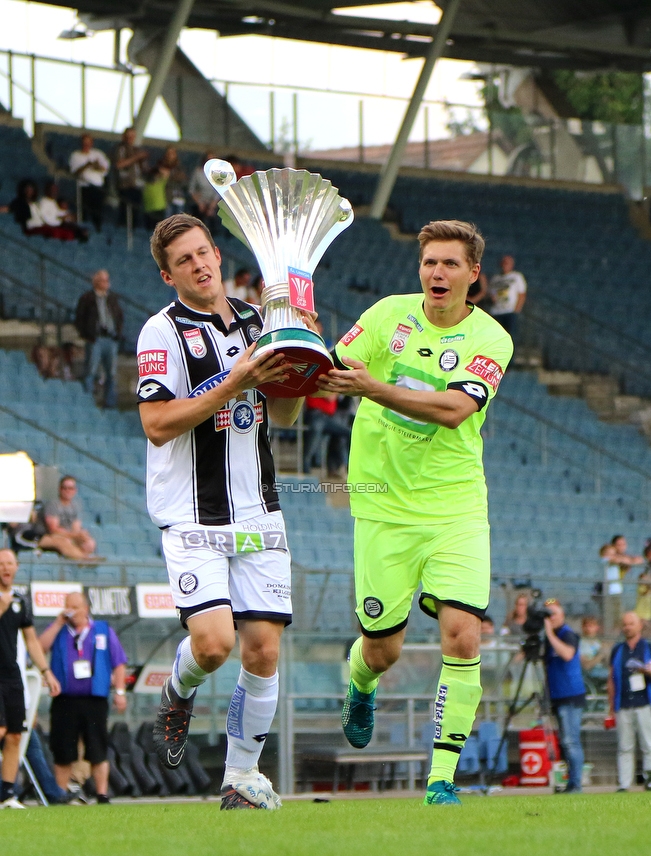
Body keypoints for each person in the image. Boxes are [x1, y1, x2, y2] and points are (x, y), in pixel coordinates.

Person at [317, 218, 513, 805]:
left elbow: (454, 409)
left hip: (456, 508)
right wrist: (299, 344)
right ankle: (360, 683)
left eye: (451, 263)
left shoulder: (491, 339)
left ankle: (441, 780)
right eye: (430, 262)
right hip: (382, 507)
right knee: (384, 649)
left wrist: (374, 388)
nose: (437, 273)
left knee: (463, 635)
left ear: (473, 275)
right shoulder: (385, 317)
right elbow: (331, 370)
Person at [138, 213, 308, 810]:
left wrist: (300, 360)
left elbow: (285, 417)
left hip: (259, 512)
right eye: (185, 260)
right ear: (168, 275)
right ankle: (179, 687)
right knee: (214, 646)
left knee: (262, 648)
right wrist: (234, 381)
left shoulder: (261, 322)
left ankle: (239, 778)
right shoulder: (159, 334)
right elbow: (156, 424)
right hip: (191, 515)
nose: (202, 264)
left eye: (205, 252)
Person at [39, 591, 127, 804]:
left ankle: (102, 794)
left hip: (94, 699)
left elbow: (119, 662)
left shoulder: (102, 630)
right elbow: (40, 647)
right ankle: (60, 793)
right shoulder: (60, 631)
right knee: (63, 748)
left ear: (86, 608)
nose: (72, 612)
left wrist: (120, 692)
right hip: (65, 699)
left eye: (76, 607)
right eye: (69, 607)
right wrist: (59, 623)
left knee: (97, 746)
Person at [0, 549, 60, 808]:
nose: (6, 568)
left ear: (16, 567)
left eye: (10, 563)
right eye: (1, 563)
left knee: (15, 735)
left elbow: (31, 640)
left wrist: (46, 671)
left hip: (12, 674)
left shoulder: (20, 600)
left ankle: (6, 795)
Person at [543, 600, 585, 794]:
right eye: (548, 615)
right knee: (564, 743)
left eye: (554, 614)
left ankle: (576, 784)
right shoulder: (550, 637)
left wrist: (549, 633)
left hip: (570, 696)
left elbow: (567, 654)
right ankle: (570, 783)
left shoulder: (567, 634)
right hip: (557, 695)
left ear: (562, 616)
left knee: (571, 741)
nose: (551, 618)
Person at [607, 611, 651, 792]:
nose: (627, 628)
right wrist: (611, 707)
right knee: (625, 746)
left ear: (639, 625)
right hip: (624, 703)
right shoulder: (618, 650)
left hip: (644, 702)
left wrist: (644, 670)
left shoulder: (647, 647)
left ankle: (649, 781)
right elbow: (611, 679)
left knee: (648, 744)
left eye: (631, 624)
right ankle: (624, 784)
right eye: (625, 624)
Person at [75, 269, 124, 409]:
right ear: (96, 282)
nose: (106, 283)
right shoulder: (87, 298)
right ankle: (88, 402)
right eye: (103, 280)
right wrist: (87, 335)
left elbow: (119, 317)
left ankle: (110, 403)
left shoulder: (112, 299)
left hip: (110, 339)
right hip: (95, 339)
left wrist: (118, 333)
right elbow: (80, 318)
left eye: (107, 280)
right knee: (91, 370)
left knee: (111, 373)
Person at [43, 476, 98, 561]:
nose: (67, 491)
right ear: (60, 489)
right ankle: (83, 559)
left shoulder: (75, 506)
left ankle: (83, 564)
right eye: (65, 488)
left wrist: (80, 535)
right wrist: (74, 535)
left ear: (75, 490)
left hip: (69, 535)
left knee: (89, 542)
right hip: (50, 536)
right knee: (65, 542)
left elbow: (76, 527)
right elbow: (53, 529)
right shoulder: (53, 505)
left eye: (71, 488)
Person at [69, 133, 110, 232]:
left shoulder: (98, 154)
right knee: (84, 210)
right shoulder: (75, 155)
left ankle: (98, 229)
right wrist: (87, 165)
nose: (86, 144)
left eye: (88, 142)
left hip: (98, 186)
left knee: (97, 211)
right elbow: (74, 172)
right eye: (84, 142)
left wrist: (96, 166)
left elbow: (105, 169)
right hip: (84, 186)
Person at [113, 127, 148, 226]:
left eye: (132, 136)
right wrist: (136, 157)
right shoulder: (121, 148)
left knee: (135, 211)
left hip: (137, 184)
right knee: (126, 210)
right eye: (128, 136)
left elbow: (144, 168)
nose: (130, 138)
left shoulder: (137, 149)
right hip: (126, 184)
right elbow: (119, 165)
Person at [489, 255, 527, 337]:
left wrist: (516, 310)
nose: (505, 265)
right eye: (504, 263)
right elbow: (491, 292)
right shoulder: (495, 278)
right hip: (496, 311)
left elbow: (522, 294)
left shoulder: (517, 277)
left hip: (510, 311)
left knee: (509, 336)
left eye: (507, 263)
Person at [188, 151, 219, 232]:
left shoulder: (218, 174)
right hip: (199, 202)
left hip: (212, 203)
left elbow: (218, 191)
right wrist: (200, 203)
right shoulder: (197, 172)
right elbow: (191, 189)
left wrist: (212, 205)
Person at [159, 146, 187, 216]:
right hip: (167, 196)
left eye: (172, 153)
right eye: (168, 153)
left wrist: (170, 175)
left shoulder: (179, 167)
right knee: (167, 218)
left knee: (179, 219)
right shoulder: (161, 164)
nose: (170, 155)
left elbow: (182, 177)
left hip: (179, 195)